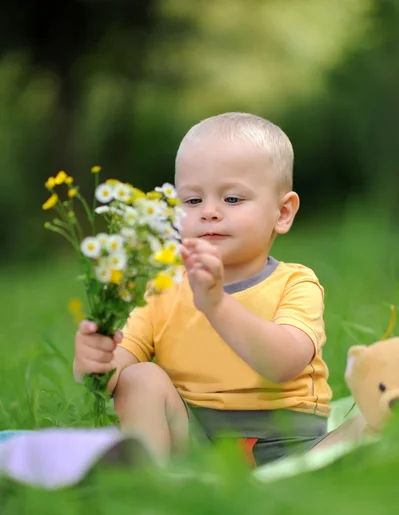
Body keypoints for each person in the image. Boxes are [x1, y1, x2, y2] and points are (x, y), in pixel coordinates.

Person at [73, 112, 332, 467]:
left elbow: (282, 365)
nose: (209, 212)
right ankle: (153, 482)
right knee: (139, 377)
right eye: (192, 201)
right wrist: (95, 361)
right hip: (195, 442)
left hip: (290, 443)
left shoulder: (296, 284)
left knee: (375, 421)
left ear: (282, 212)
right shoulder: (161, 288)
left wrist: (216, 305)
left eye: (232, 199)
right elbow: (115, 377)